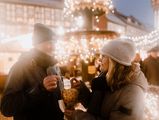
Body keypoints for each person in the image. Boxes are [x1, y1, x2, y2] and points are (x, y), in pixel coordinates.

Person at [68, 39, 148, 120]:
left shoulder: (133, 92)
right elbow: (95, 106)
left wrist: (77, 116)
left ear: (113, 61)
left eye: (103, 56)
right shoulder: (105, 78)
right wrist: (81, 90)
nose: (99, 60)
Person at [0, 23, 64, 120]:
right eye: (49, 42)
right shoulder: (21, 67)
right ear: (37, 44)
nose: (53, 47)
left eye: (54, 42)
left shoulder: (54, 67)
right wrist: (40, 89)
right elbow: (7, 107)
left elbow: (57, 100)